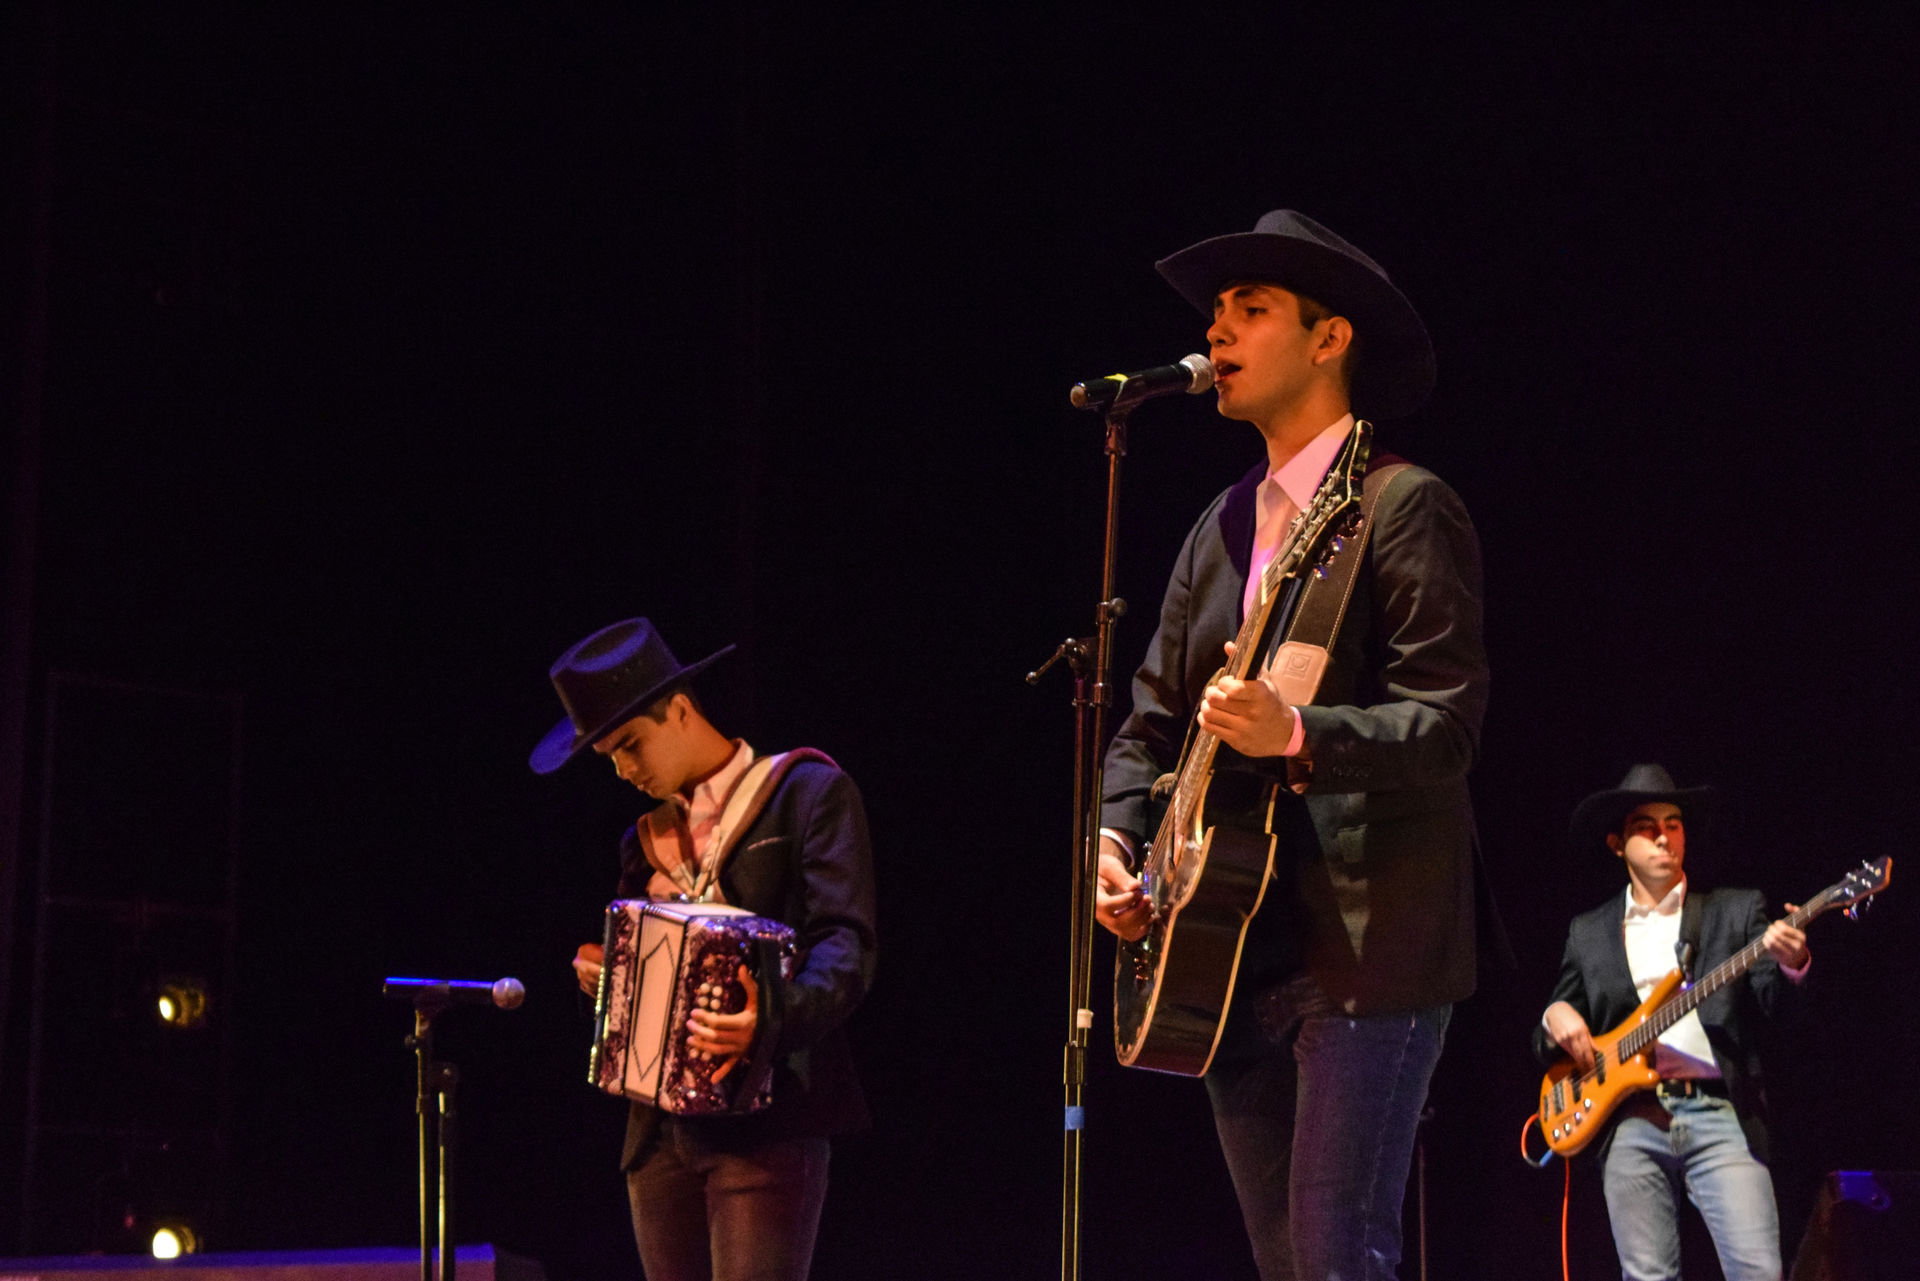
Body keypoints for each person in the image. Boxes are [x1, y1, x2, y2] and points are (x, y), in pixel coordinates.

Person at [1094, 209, 1489, 1280]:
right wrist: (1117, 842)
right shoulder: (1219, 528)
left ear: (1330, 339)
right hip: (1224, 943)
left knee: (1334, 1256)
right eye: (1215, 313)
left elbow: (1445, 727)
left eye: (1250, 309)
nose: (1216, 332)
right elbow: (1149, 722)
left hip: (1368, 946)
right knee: (1286, 1262)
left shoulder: (1403, 507)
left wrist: (1301, 733)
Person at [530, 616, 876, 1281]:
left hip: (766, 1126)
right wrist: (607, 983)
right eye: (610, 758)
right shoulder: (644, 839)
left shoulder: (805, 794)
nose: (626, 770)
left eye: (631, 744)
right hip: (656, 1137)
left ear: (681, 709)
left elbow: (847, 945)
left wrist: (769, 1017)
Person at [1535, 763, 1809, 1281]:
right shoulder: (1589, 932)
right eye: (1647, 826)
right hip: (1630, 1121)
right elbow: (1543, 1040)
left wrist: (1793, 964)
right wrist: (1555, 1015)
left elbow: (1780, 1012)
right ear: (1617, 844)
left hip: (1719, 1113)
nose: (1664, 836)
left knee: (1759, 1271)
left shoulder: (1734, 910)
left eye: (1674, 823)